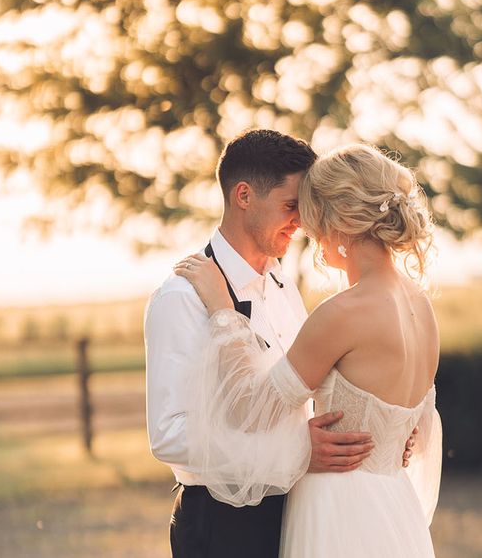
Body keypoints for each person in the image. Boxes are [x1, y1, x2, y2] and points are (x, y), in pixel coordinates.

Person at [145, 130, 409, 558]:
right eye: (291, 206)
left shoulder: (283, 284)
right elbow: (169, 435)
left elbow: (296, 395)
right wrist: (297, 451)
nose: (302, 222)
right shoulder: (181, 298)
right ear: (244, 196)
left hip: (299, 508)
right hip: (225, 522)